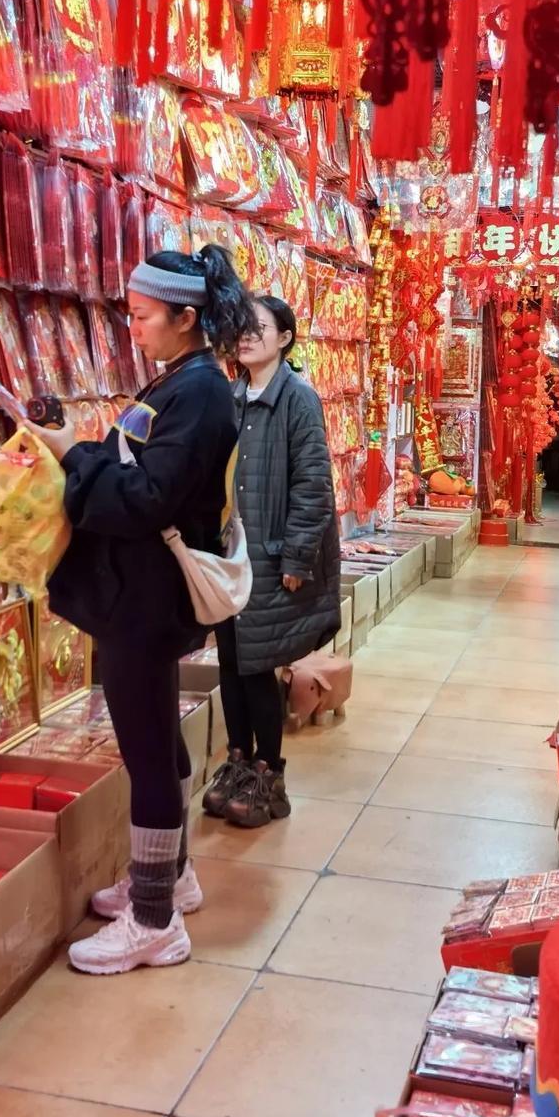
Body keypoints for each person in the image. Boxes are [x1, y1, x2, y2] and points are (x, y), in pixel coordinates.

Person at [35, 246, 257, 975]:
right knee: (157, 736)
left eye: (142, 316)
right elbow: (138, 464)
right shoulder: (182, 379)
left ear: (185, 318)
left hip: (145, 596)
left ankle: (155, 920)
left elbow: (145, 498)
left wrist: (73, 456)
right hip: (140, 591)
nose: (133, 329)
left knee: (148, 752)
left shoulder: (199, 392)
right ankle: (172, 876)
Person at [204, 295, 341, 828]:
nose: (246, 335)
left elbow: (313, 484)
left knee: (258, 666)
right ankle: (238, 762)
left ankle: (269, 774)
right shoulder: (232, 396)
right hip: (231, 555)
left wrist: (297, 556)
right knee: (231, 663)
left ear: (284, 337)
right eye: (241, 326)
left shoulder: (297, 399)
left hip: (270, 555)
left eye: (258, 327)